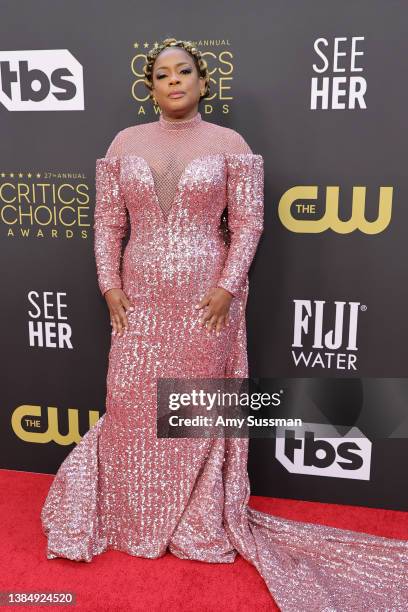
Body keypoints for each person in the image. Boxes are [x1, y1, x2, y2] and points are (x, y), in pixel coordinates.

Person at [41, 38, 408, 611]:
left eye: (184, 72)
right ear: (151, 86)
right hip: (136, 303)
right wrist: (107, 285)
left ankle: (191, 518)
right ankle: (127, 515)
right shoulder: (123, 143)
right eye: (162, 75)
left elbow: (250, 225)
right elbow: (108, 223)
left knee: (191, 410)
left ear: (203, 81)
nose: (174, 82)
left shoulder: (230, 144)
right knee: (132, 407)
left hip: (205, 304)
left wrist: (225, 289)